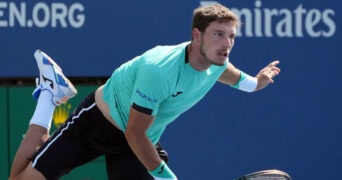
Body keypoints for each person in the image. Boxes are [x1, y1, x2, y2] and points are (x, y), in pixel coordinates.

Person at [9, 3, 281, 180]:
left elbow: (239, 79)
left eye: (232, 36)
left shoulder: (217, 63)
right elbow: (134, 132)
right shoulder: (159, 69)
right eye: (219, 35)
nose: (228, 43)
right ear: (197, 36)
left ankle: (49, 93)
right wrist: (167, 178)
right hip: (98, 125)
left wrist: (258, 82)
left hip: (138, 139)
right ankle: (49, 94)